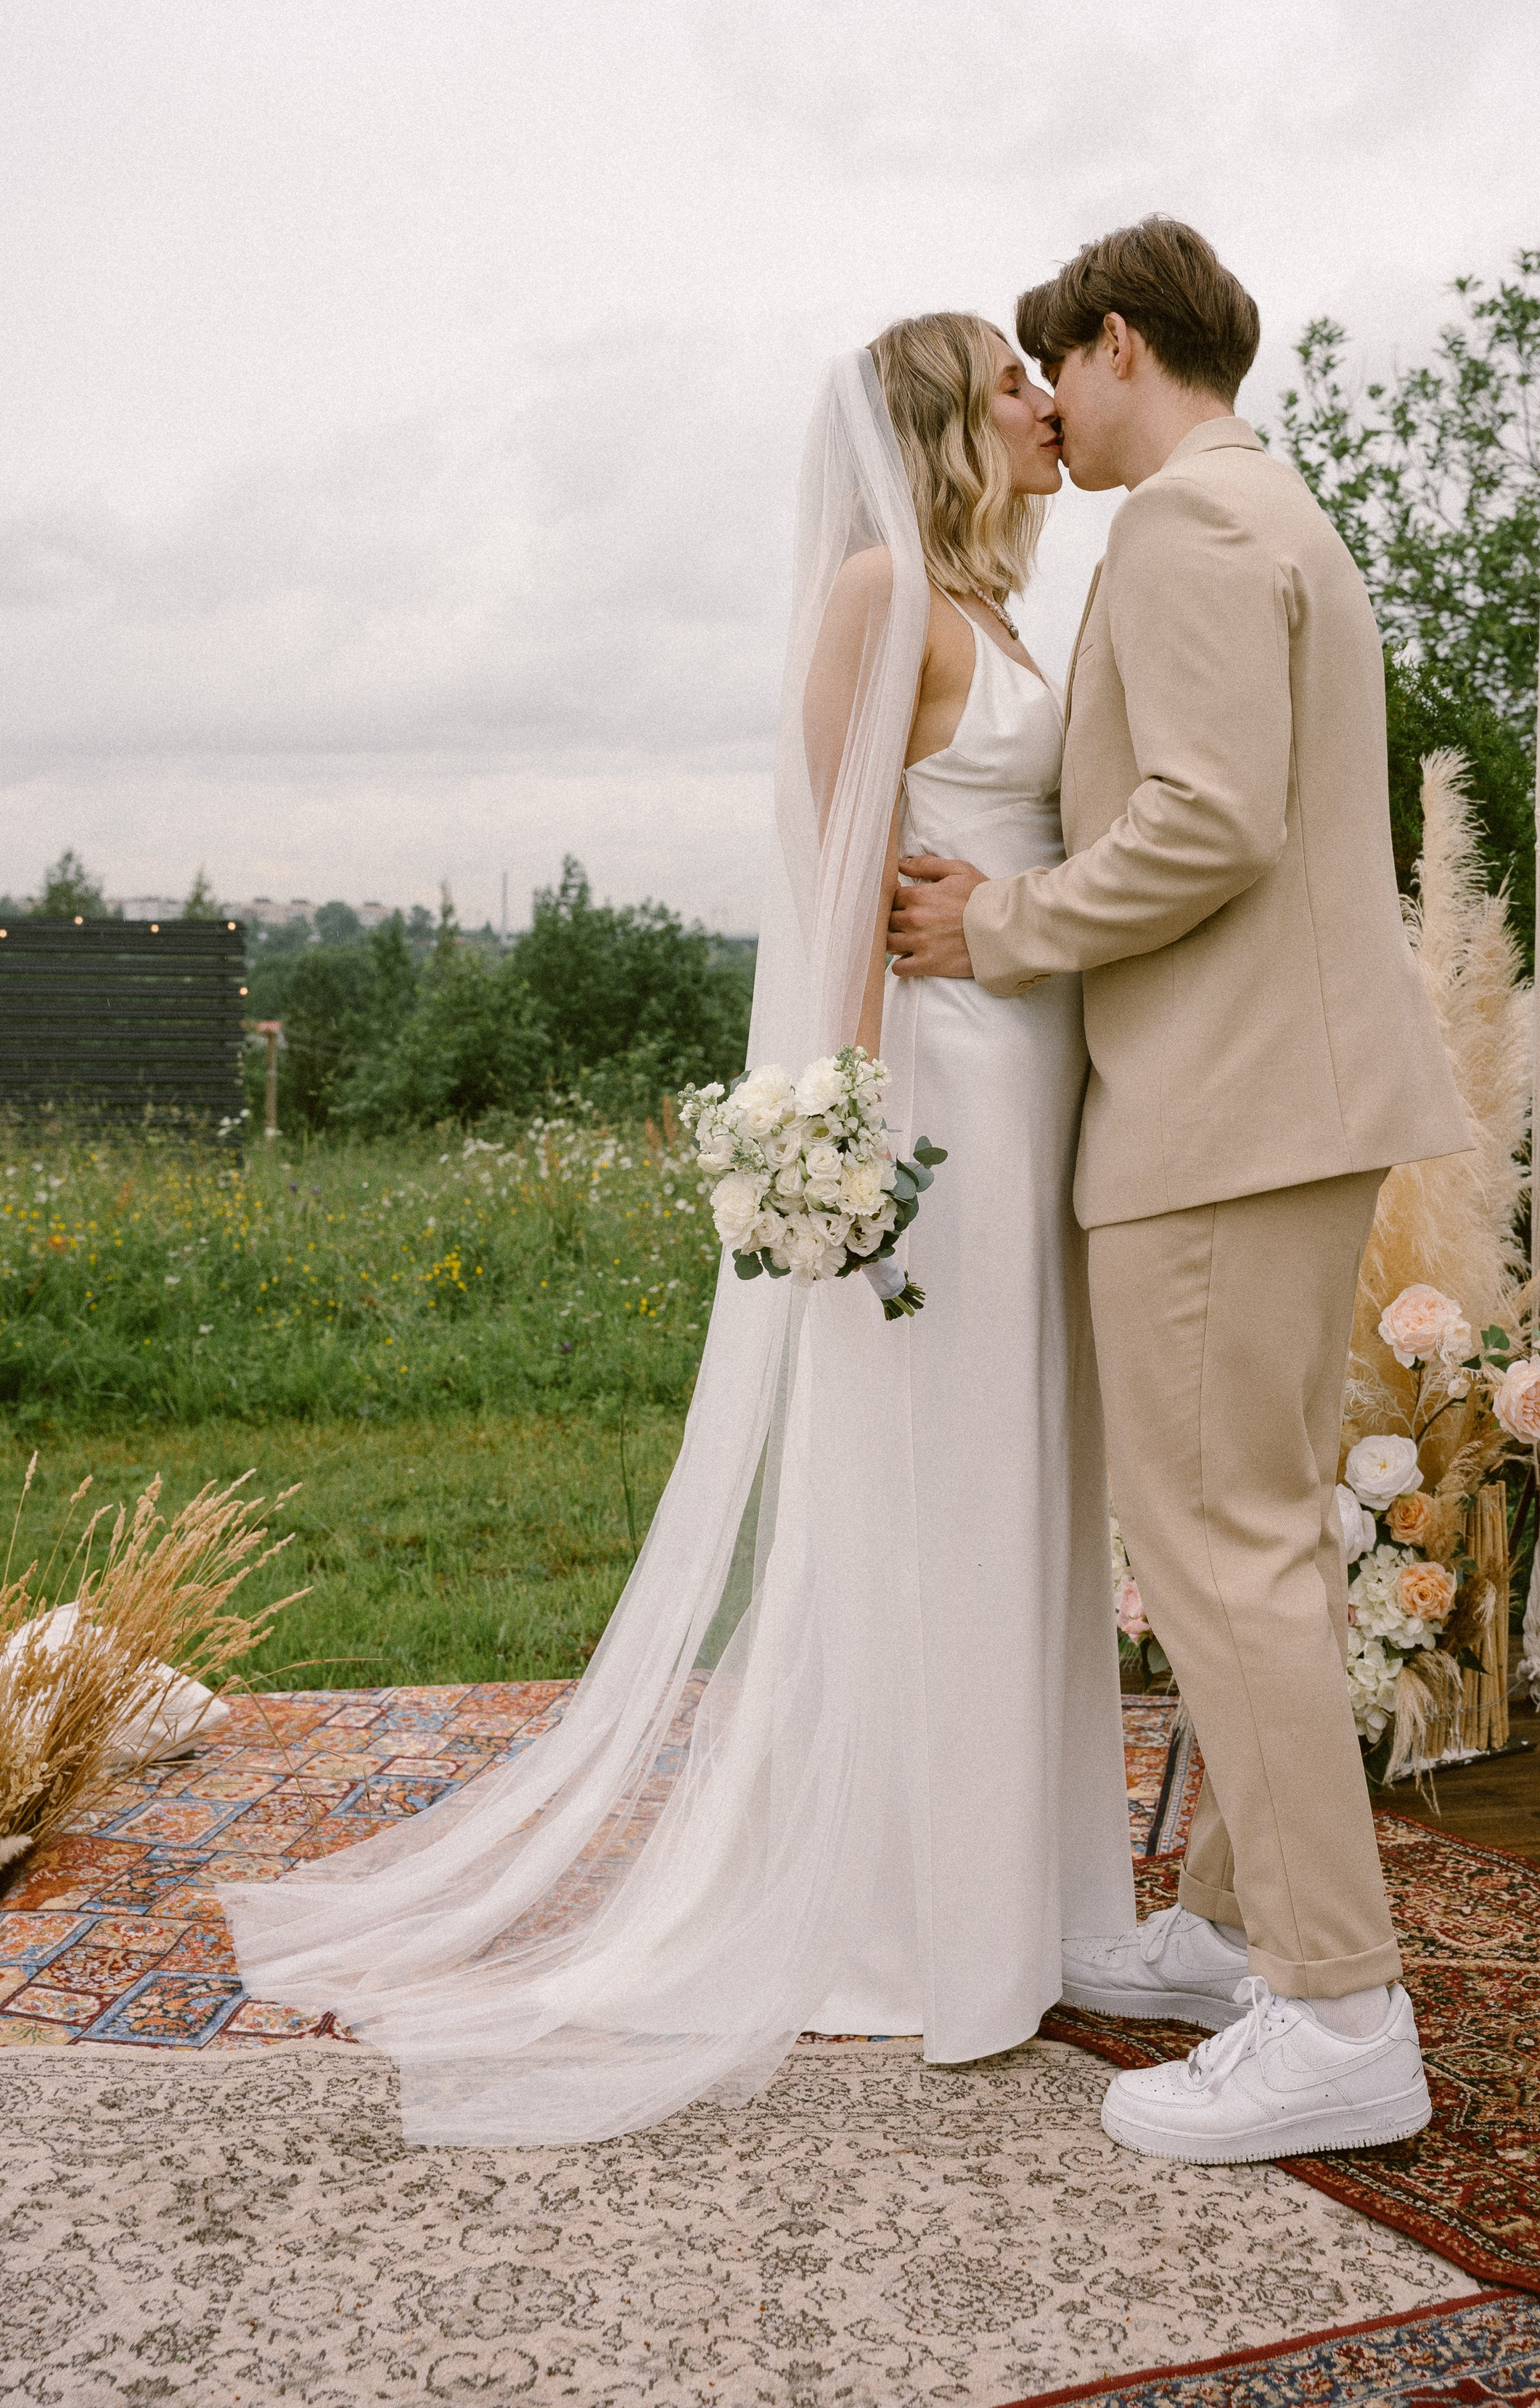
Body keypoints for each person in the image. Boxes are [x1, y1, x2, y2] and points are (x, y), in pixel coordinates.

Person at [220, 316, 1134, 2142]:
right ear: (950, 419)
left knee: (1023, 1482)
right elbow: (839, 861)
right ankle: (904, 1920)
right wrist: (847, 1129)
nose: (1051, 403)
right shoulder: (885, 590)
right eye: (1018, 382)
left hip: (1034, 1079)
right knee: (939, 1480)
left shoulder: (1009, 605)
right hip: (940, 1087)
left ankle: (1019, 1904)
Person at [888, 217, 1470, 2163]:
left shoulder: (1192, 532)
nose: (1049, 410)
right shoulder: (1269, 510)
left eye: (1061, 370)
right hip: (1287, 1100)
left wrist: (1006, 927)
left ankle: (1337, 2017)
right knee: (1269, 1542)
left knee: (1217, 1545)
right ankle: (1237, 1933)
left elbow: (1206, 819)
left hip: (1225, 1115)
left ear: (1122, 341)